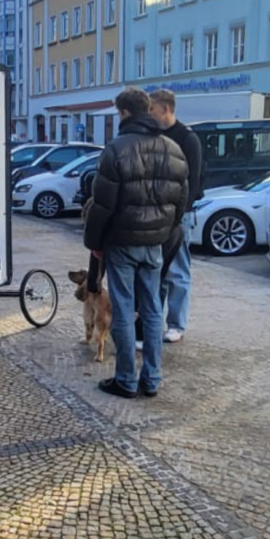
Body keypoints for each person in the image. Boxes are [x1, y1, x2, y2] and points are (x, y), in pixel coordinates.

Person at [84, 88, 189, 399]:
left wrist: (95, 243)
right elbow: (180, 202)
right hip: (155, 243)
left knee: (124, 309)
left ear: (125, 113)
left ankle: (126, 379)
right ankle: (151, 379)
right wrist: (163, 231)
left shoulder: (115, 150)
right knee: (153, 310)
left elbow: (102, 205)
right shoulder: (173, 149)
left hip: (122, 243)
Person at [149, 89, 203, 343]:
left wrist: (178, 215)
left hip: (179, 215)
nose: (150, 114)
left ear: (166, 109)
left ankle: (176, 324)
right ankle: (154, 322)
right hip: (158, 214)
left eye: (153, 109)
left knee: (178, 271)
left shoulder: (187, 138)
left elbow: (192, 182)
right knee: (157, 270)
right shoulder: (156, 135)